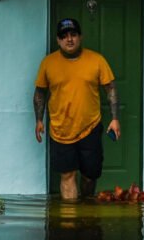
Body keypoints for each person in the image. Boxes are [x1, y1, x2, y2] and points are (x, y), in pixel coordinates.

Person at [34, 18, 120, 200]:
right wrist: (39, 120)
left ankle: (86, 211)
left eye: (73, 35)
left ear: (80, 37)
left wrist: (114, 118)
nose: (69, 39)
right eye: (64, 36)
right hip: (60, 129)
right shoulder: (48, 63)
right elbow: (40, 93)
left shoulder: (97, 60)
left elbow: (110, 88)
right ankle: (70, 222)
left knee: (90, 175)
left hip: (90, 126)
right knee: (67, 175)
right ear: (58, 40)